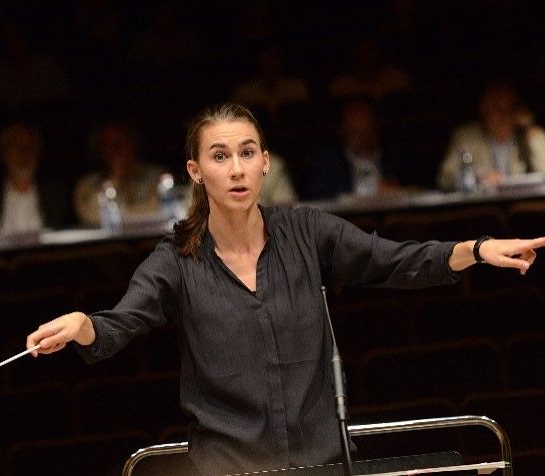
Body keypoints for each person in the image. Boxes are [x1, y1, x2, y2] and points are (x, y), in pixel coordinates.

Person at [27, 103, 545, 475]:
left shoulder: (307, 231)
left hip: (321, 463)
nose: (236, 169)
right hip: (228, 469)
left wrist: (477, 248)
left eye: (247, 153)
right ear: (196, 171)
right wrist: (84, 325)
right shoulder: (176, 260)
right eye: (220, 156)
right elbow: (121, 322)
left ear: (265, 162)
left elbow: (396, 260)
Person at [437, 82, 545, 191]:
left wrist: (528, 130)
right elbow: (445, 177)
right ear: (484, 110)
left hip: (520, 200)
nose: (504, 114)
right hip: (482, 201)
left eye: (510, 107)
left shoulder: (530, 136)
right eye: (497, 107)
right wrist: (478, 178)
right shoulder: (467, 136)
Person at [0, 122, 73, 234]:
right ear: (3, 153)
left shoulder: (57, 195)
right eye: (15, 146)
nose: (24, 153)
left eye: (30, 146)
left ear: (38, 152)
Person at [73, 121, 165, 227]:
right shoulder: (86, 186)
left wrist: (119, 216)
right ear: (99, 150)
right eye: (107, 145)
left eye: (121, 142)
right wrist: (115, 177)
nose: (115, 150)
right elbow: (92, 217)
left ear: (133, 142)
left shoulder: (158, 177)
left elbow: (161, 211)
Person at [309, 98, 403, 199]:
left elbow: (411, 191)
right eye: (354, 132)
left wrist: (398, 191)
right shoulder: (329, 162)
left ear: (376, 128)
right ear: (343, 132)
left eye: (367, 130)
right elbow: (320, 198)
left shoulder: (395, 156)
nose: (362, 138)